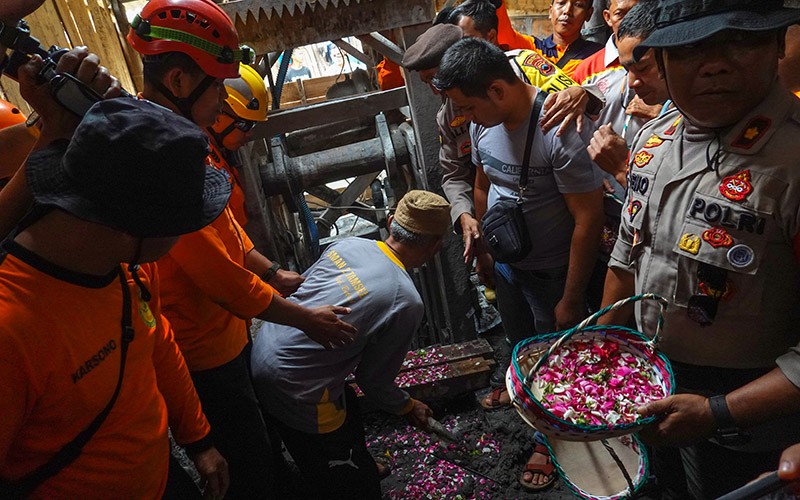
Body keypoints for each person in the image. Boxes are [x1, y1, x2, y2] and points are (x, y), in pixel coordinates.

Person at [127, 1, 357, 497]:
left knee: (257, 433)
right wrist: (305, 318)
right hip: (200, 347)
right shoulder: (162, 161)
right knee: (246, 458)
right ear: (181, 82)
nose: (221, 102)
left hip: (224, 332)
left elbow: (229, 233)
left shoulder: (188, 142)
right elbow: (222, 279)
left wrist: (273, 272)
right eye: (218, 87)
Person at [599, 1, 800, 497]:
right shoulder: (653, 141)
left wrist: (717, 412)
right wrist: (596, 355)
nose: (712, 64)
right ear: (662, 61)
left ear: (778, 45)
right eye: (688, 50)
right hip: (651, 390)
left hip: (751, 422)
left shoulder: (792, 163)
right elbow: (628, 258)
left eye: (739, 41)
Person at [0, 98, 229, 498]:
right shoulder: (12, 332)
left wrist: (198, 440)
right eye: (180, 225)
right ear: (129, 228)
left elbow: (157, 343)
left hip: (160, 477)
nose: (183, 238)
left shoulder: (129, 268)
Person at [434, 37, 605, 490]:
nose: (465, 118)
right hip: (509, 264)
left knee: (559, 362)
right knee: (518, 341)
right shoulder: (480, 124)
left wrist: (571, 297)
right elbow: (483, 186)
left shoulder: (556, 129)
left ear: (497, 90)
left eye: (469, 106)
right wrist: (486, 252)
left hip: (552, 274)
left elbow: (587, 219)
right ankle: (522, 395)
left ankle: (552, 441)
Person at [251, 190, 446, 500]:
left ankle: (348, 464)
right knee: (349, 483)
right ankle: (347, 476)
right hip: (293, 383)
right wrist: (408, 406)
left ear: (393, 222)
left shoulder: (351, 244)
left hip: (264, 347)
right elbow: (373, 380)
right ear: (435, 246)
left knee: (348, 407)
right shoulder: (406, 299)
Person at [207, 62, 304, 296]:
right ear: (219, 111)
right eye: (244, 124)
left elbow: (231, 234)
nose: (250, 134)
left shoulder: (221, 153)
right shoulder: (202, 168)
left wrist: (271, 273)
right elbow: (216, 257)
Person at [587, 0, 669, 188]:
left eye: (643, 68)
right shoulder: (596, 73)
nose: (632, 82)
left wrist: (620, 168)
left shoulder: (698, 118)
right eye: (627, 69)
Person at [493, 0, 603, 77]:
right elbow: (504, 36)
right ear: (550, 11)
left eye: (578, 5)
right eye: (561, 3)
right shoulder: (533, 48)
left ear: (589, 14)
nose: (567, 11)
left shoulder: (598, 55)